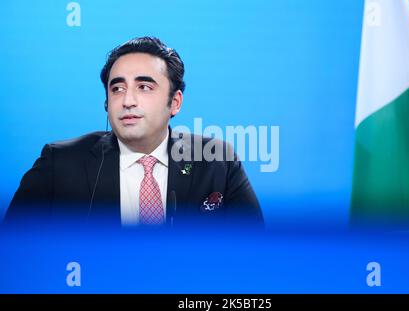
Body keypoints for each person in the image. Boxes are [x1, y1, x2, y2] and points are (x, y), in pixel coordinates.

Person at [4, 36, 263, 229]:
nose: (128, 100)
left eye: (144, 87)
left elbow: (256, 255)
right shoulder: (59, 163)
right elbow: (14, 252)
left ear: (175, 102)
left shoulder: (217, 160)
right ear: (106, 102)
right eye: (117, 89)